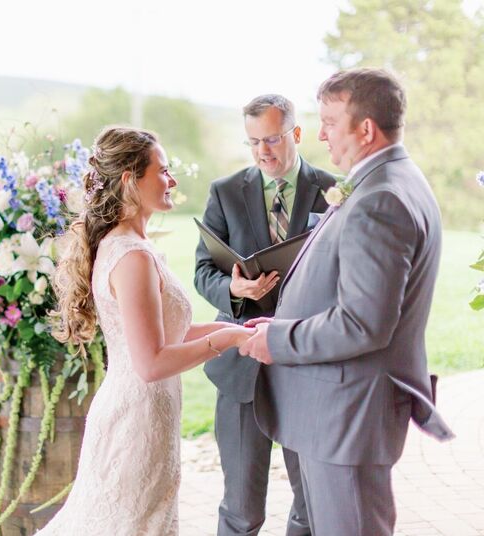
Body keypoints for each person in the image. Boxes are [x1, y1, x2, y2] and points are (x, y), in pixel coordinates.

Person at [240, 69, 453, 535]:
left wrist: (278, 341)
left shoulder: (381, 197)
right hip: (342, 413)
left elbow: (362, 323)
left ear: (366, 129)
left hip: (348, 416)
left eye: (330, 122)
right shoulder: (389, 180)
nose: (321, 134)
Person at [36, 126, 254, 535]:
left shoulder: (136, 247)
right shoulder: (131, 257)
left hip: (149, 418)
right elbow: (152, 363)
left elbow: (169, 333)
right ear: (129, 180)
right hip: (135, 424)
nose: (172, 180)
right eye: (163, 171)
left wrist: (237, 329)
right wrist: (225, 339)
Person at [194, 94, 335, 536]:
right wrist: (233, 289)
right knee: (241, 512)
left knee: (312, 508)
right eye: (253, 142)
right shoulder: (225, 192)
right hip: (241, 367)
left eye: (272, 139)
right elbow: (202, 271)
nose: (263, 152)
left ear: (296, 133)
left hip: (305, 367)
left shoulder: (334, 190)